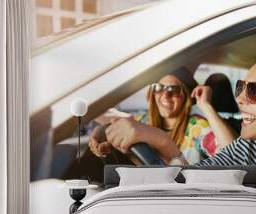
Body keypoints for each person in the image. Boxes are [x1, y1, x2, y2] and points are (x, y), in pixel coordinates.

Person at [98, 43, 256, 208]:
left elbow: (224, 206)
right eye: (241, 87)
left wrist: (165, 145)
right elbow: (191, 179)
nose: (240, 97)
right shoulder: (247, 147)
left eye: (254, 91)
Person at [89, 67, 236, 164]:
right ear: (152, 93)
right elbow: (109, 118)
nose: (165, 95)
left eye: (174, 90)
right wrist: (99, 134)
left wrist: (206, 106)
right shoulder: (143, 121)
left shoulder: (196, 127)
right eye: (159, 88)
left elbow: (233, 156)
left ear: (185, 96)